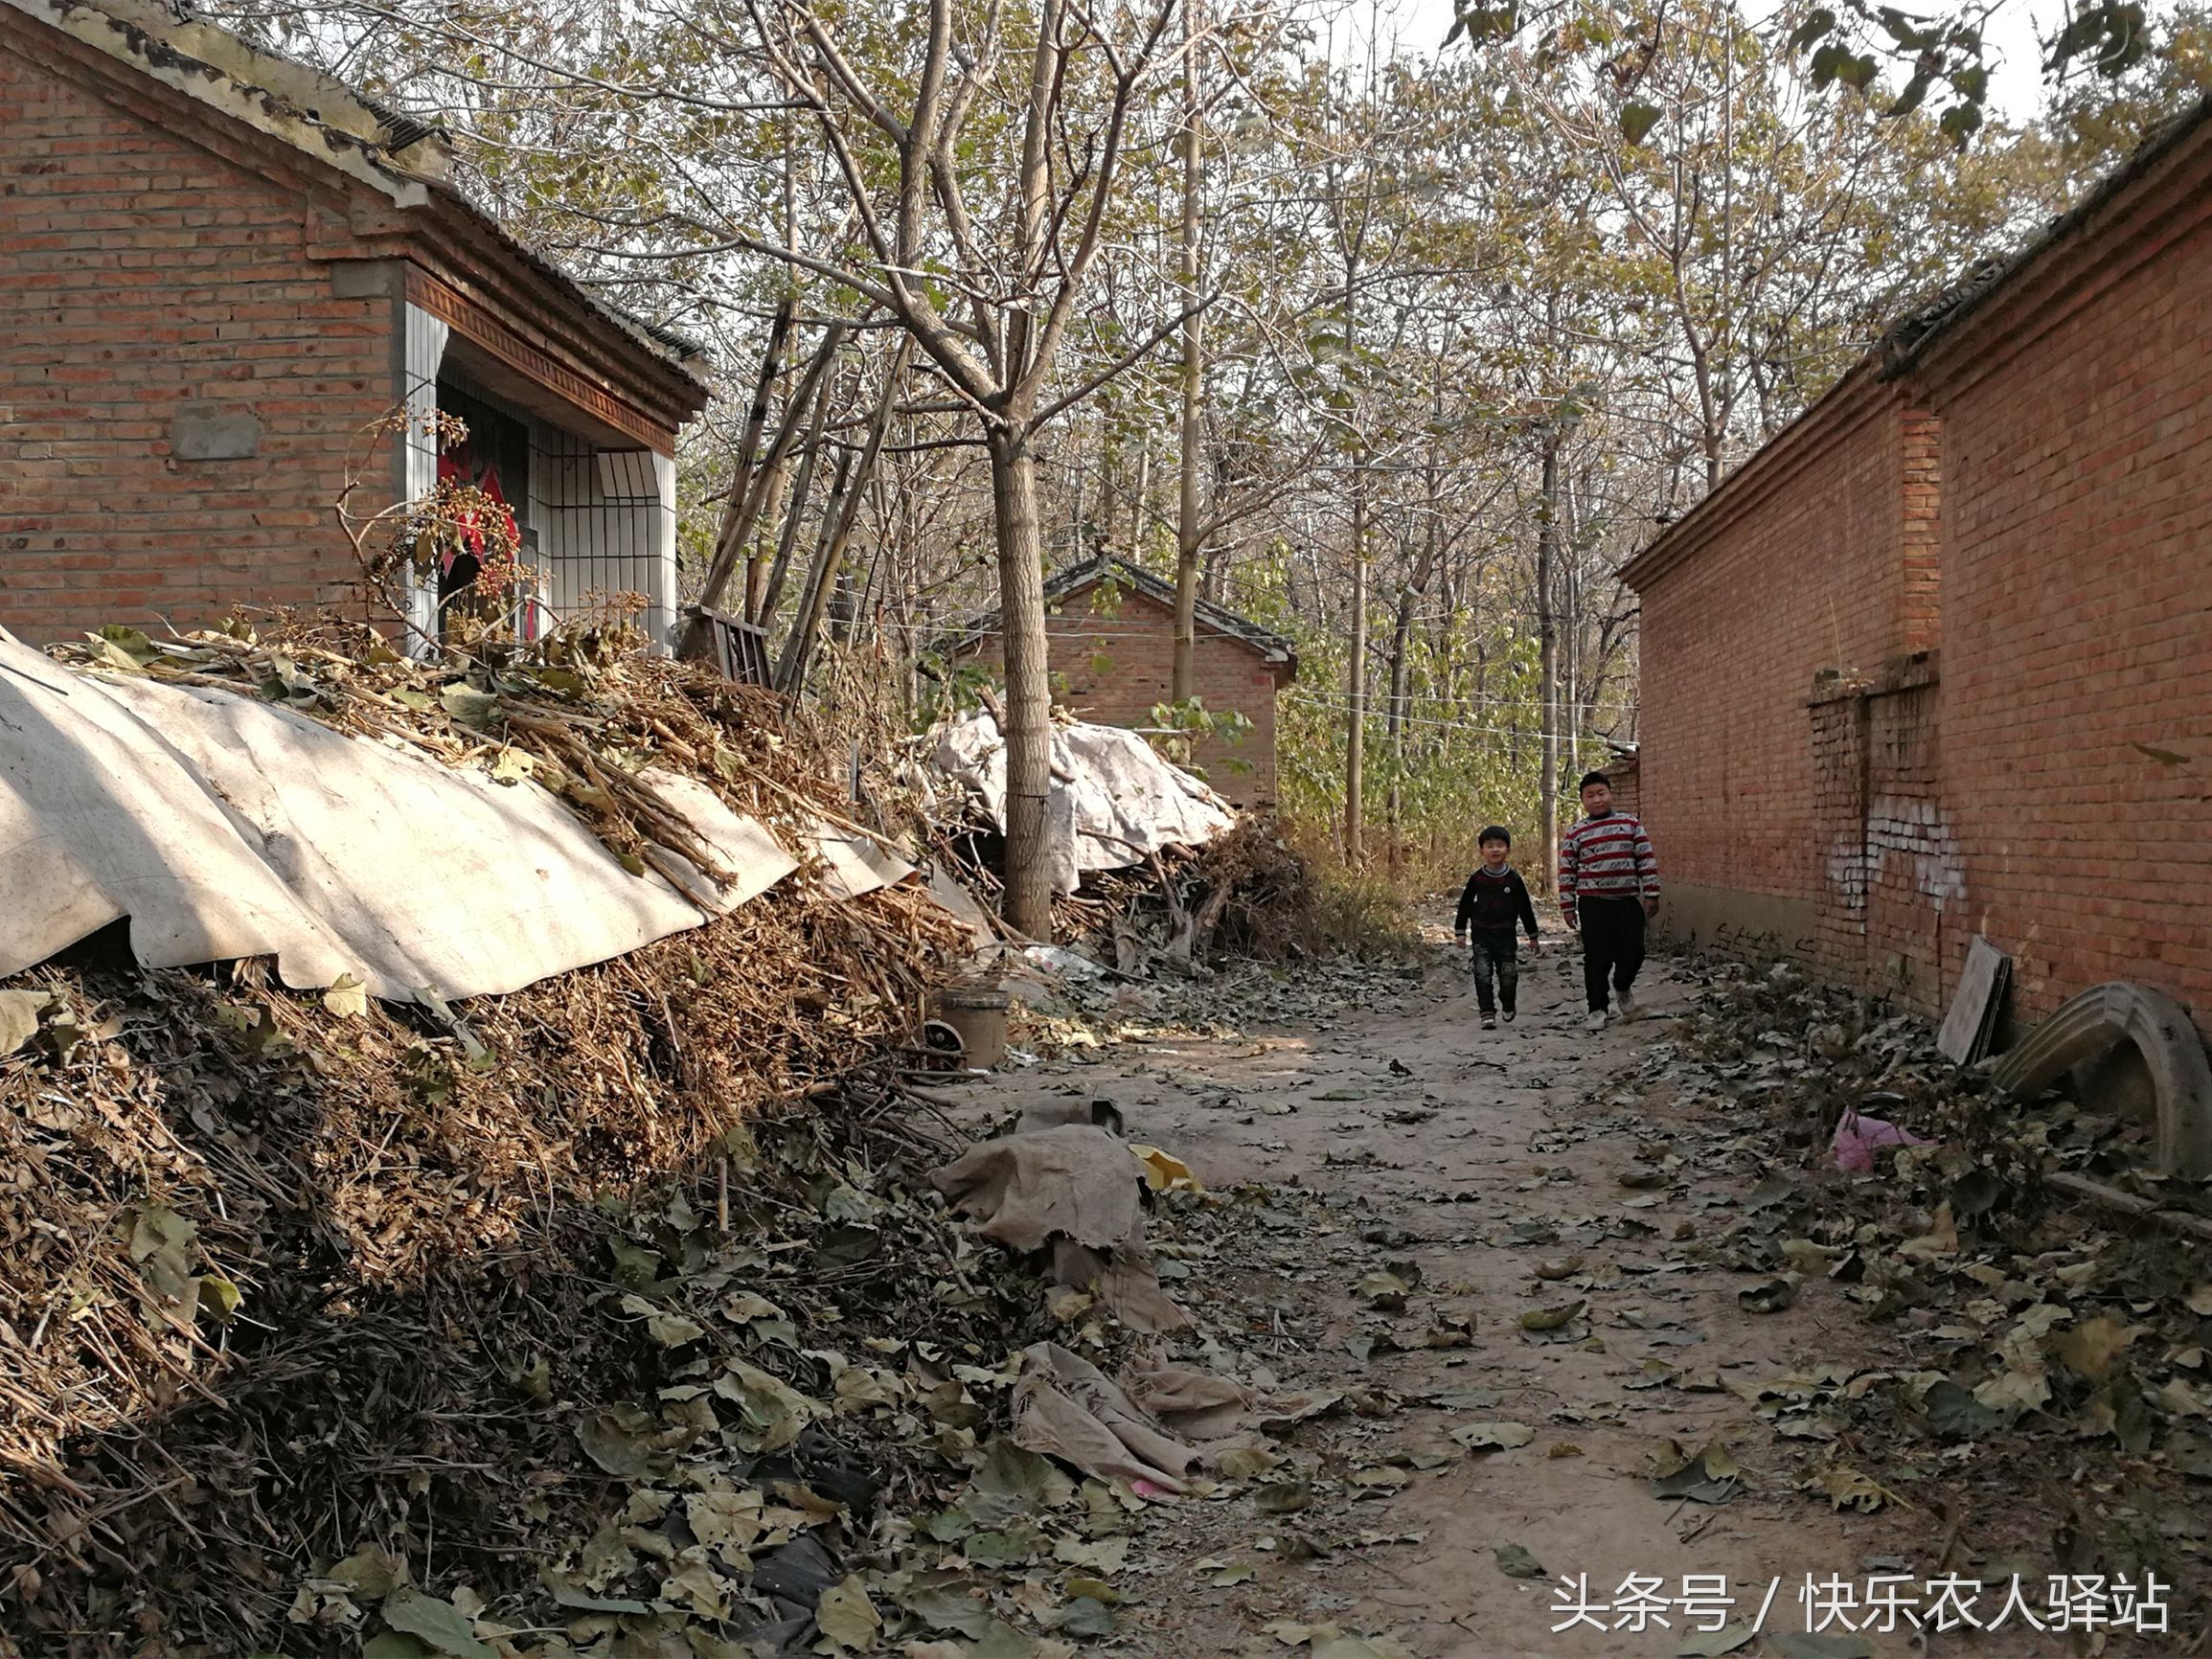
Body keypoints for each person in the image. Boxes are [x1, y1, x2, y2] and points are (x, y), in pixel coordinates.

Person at [1559, 770, 1659, 1032]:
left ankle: (1623, 985)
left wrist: (1651, 893)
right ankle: (1597, 1009)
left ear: (1611, 794)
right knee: (1596, 959)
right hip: (1593, 905)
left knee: (1635, 951)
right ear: (1582, 800)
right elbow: (1567, 870)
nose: (1597, 800)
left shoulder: (1630, 825)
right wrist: (1567, 906)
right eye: (1590, 795)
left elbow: (1646, 860)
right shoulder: (1576, 832)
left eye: (1601, 793)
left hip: (1626, 901)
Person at [1453, 826, 1540, 1031]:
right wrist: (1460, 932)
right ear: (1481, 851)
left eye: (1500, 845)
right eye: (1490, 846)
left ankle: (1508, 1002)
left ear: (1508, 849)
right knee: (1482, 973)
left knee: (1508, 974)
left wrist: (1533, 935)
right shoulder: (1477, 879)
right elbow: (1465, 905)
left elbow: (1525, 908)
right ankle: (1487, 1012)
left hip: (1506, 935)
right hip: (1481, 934)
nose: (1495, 850)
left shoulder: (1514, 879)